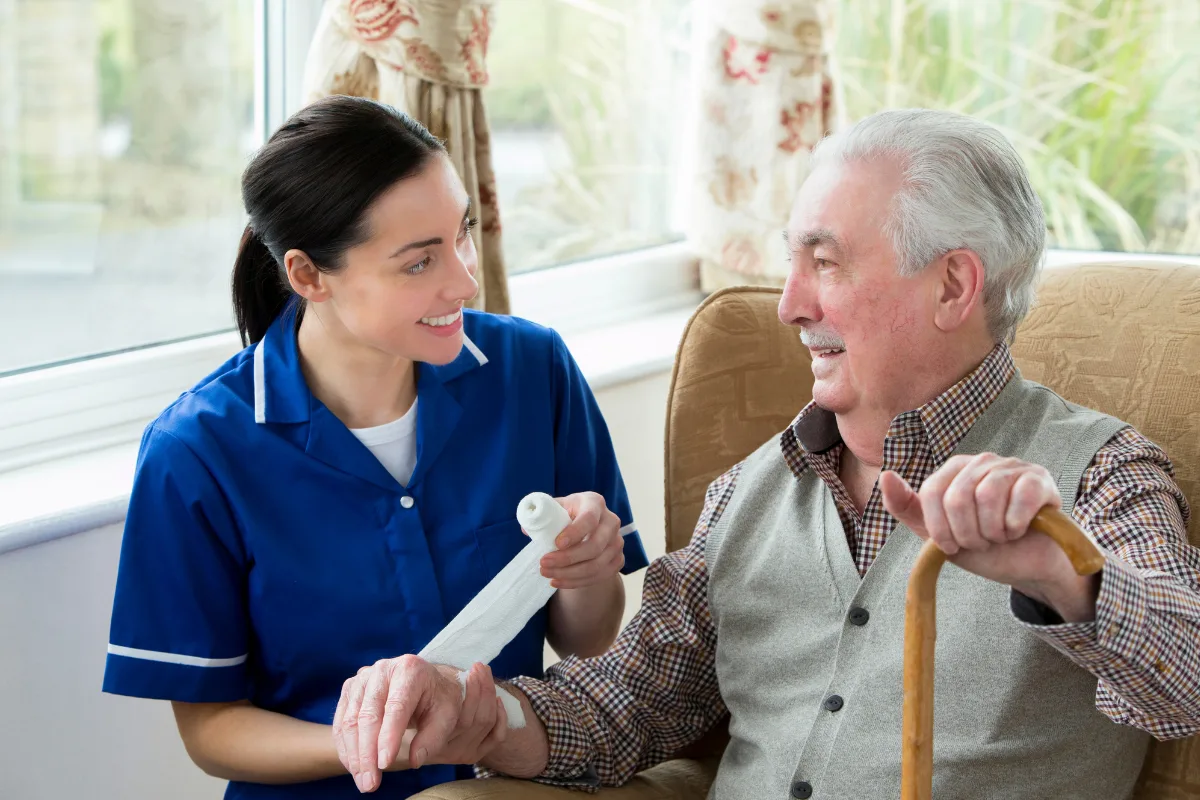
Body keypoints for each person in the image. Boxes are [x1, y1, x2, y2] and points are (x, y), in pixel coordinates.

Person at [335, 108, 1200, 799]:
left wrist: (1068, 576)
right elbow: (626, 705)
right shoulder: (745, 492)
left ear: (952, 286)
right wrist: (483, 721)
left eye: (823, 263)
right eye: (792, 262)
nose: (788, 304)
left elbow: (1185, 677)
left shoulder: (1100, 474)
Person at [101, 95, 650, 800]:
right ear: (307, 275)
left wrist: (585, 567)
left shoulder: (533, 371)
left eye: (463, 236)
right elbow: (211, 730)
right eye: (419, 262)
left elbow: (588, 640)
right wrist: (374, 742)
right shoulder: (196, 451)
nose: (465, 279)